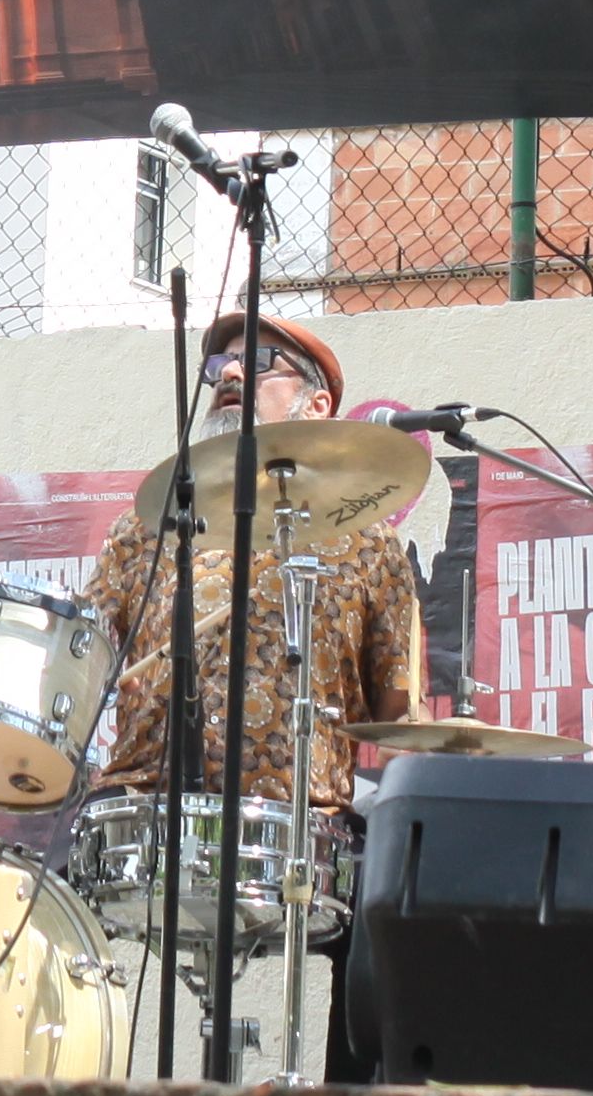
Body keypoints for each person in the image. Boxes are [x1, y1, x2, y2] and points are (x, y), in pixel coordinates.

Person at [84, 310, 422, 824]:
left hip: (300, 830)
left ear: (317, 406)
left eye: (258, 361)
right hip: (146, 814)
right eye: (219, 363)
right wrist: (103, 677)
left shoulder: (372, 544)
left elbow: (402, 715)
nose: (229, 373)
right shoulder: (149, 524)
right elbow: (81, 657)